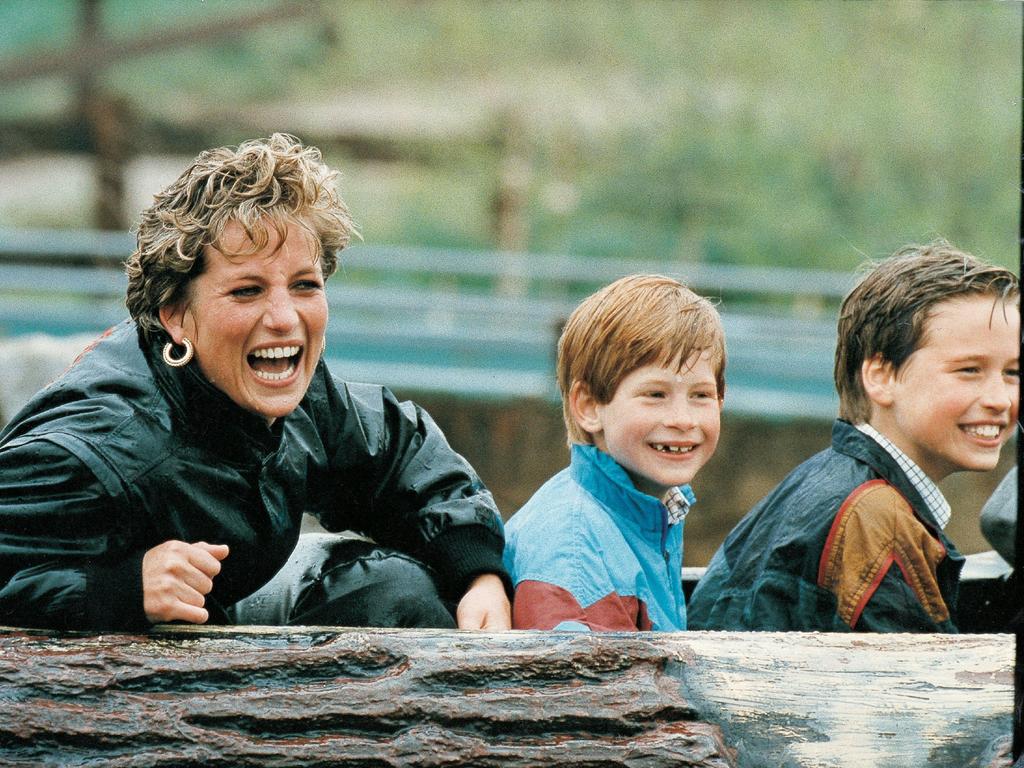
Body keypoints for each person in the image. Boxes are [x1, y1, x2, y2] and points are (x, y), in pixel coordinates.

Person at [0, 134, 511, 632]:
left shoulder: (293, 387)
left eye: (305, 285)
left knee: (400, 592)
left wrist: (477, 573)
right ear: (175, 315)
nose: (285, 318)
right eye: (247, 291)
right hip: (123, 663)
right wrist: (118, 589)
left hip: (234, 596)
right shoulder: (103, 447)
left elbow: (401, 455)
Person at [688, 242, 1019, 632]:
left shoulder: (829, 480)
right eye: (969, 370)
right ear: (881, 376)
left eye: (1014, 373)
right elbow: (918, 688)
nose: (1001, 399)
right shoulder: (874, 519)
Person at [503, 274, 726, 631]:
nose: (683, 420)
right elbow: (586, 687)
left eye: (700, 395)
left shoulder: (646, 514)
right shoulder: (574, 557)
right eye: (655, 394)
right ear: (589, 407)